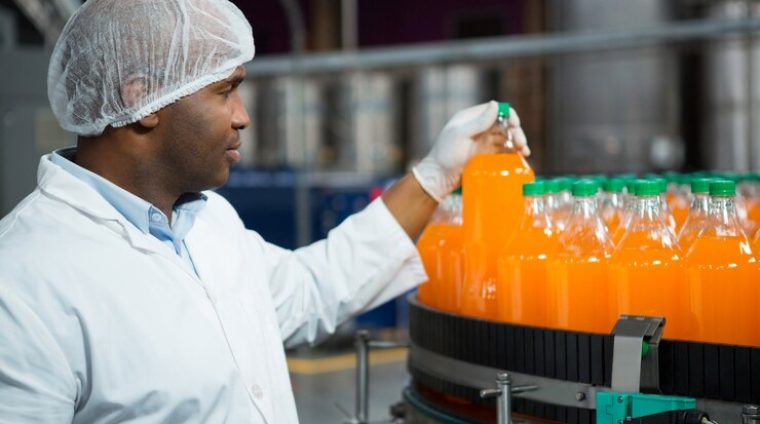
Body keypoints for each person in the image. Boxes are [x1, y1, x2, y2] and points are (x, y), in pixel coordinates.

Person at [0, 0, 529, 423]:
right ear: (143, 100)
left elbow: (314, 285)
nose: (243, 117)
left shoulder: (209, 224)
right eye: (225, 91)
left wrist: (437, 174)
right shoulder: (24, 280)